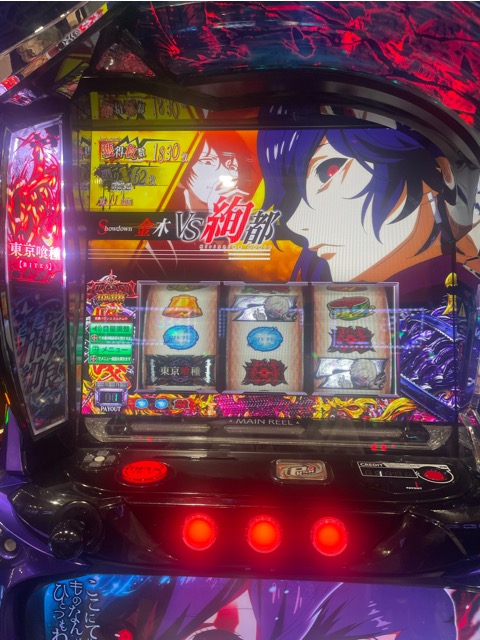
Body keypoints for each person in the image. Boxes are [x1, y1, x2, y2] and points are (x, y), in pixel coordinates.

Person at [257, 107, 468, 283]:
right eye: (292, 198)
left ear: (435, 169)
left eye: (327, 171)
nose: (294, 224)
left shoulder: (461, 288)